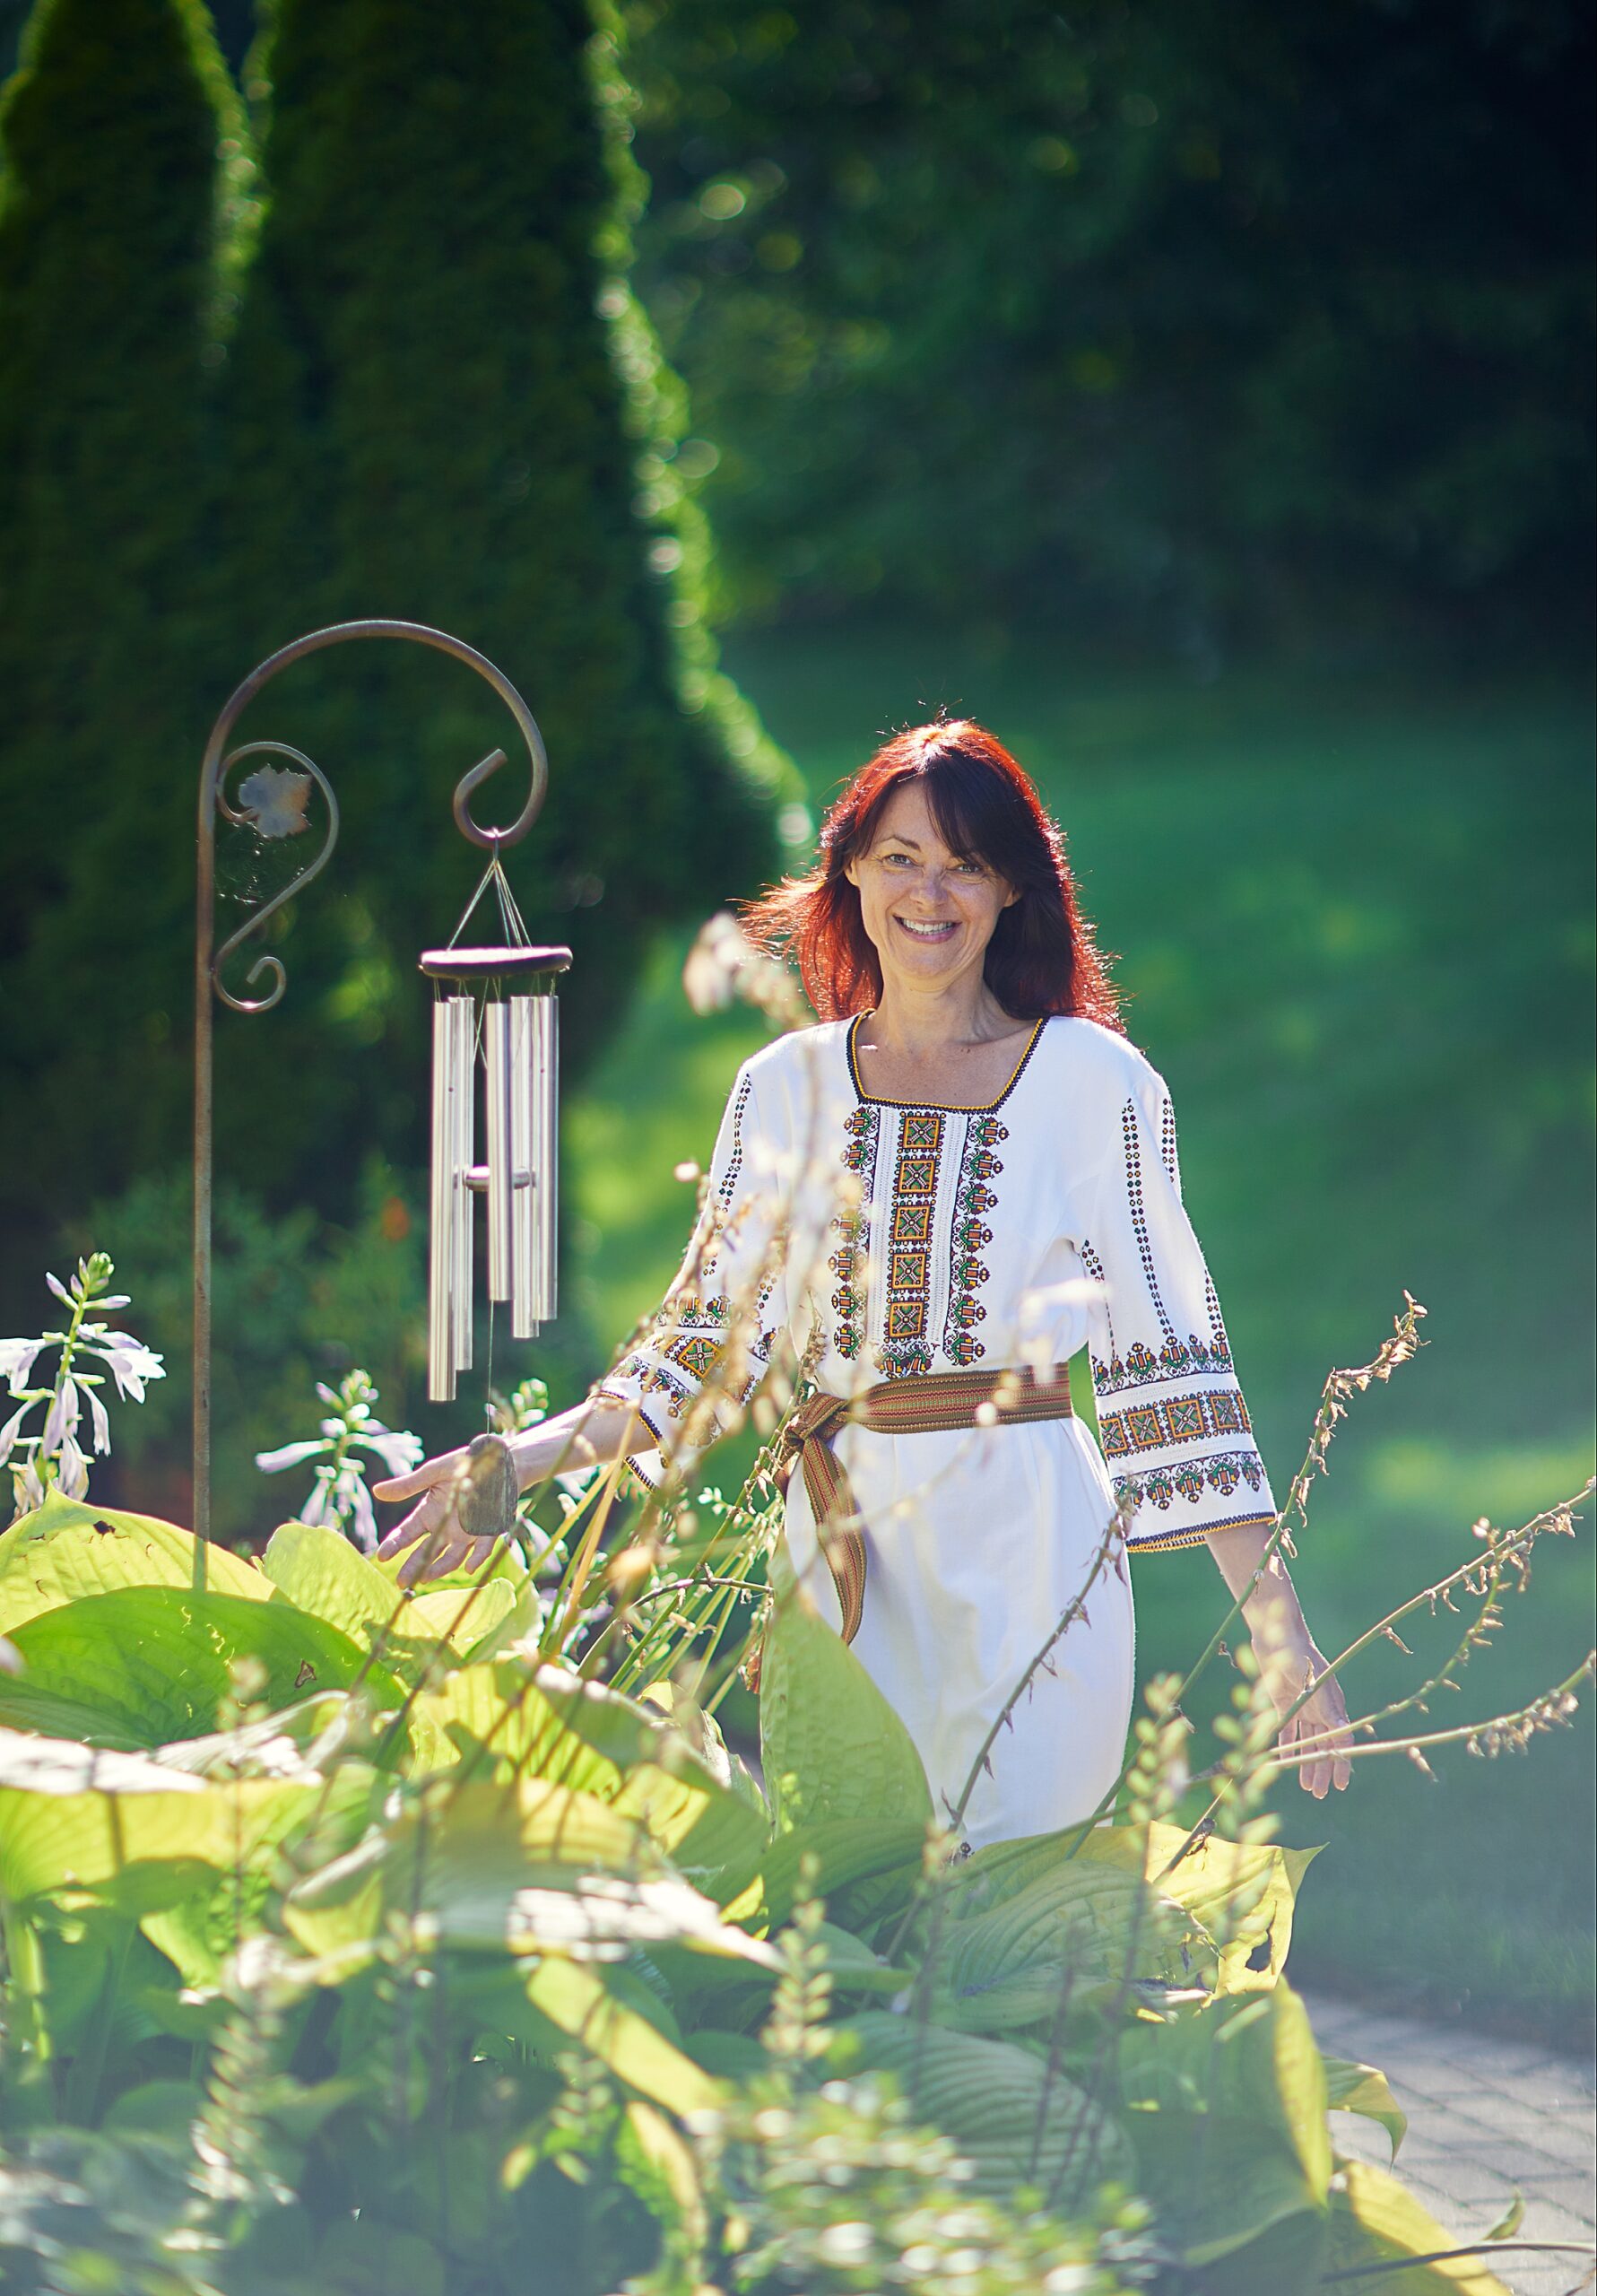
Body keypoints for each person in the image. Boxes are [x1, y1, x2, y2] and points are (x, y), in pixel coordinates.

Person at [376, 720, 1353, 1847]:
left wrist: (1276, 1631)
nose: (928, 892)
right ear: (848, 868)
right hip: (839, 1545)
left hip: (1032, 1552)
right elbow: (699, 1348)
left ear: (1008, 893)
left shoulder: (1096, 1084)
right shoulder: (780, 1086)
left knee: (1009, 1895)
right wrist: (517, 1459)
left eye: (964, 864)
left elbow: (1172, 1360)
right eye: (899, 857)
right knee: (855, 1912)